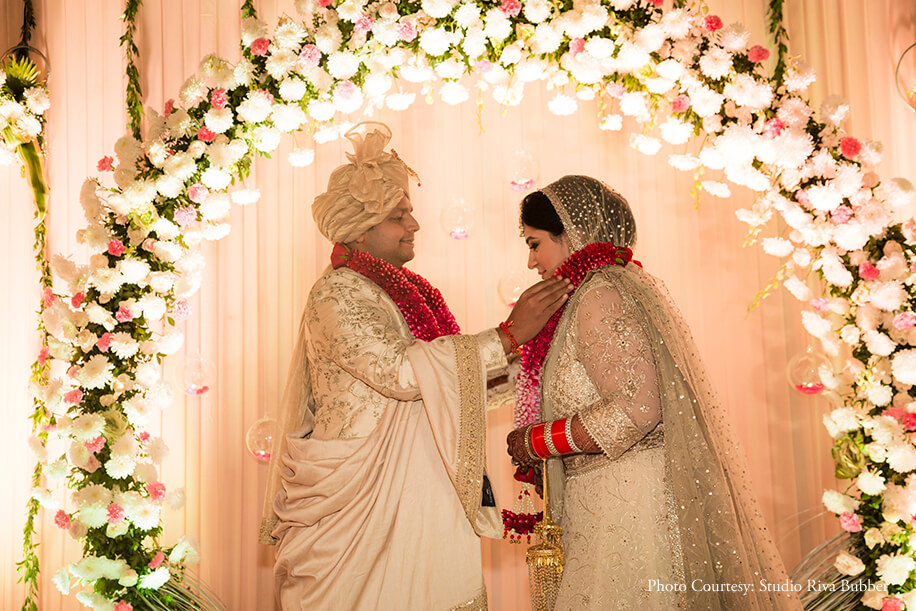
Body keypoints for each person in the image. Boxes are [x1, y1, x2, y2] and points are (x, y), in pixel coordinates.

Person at [259, 122, 570, 610]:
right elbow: (401, 374)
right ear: (360, 228)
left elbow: (449, 386)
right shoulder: (337, 293)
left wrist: (527, 357)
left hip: (414, 501)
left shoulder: (411, 293)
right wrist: (509, 335)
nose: (415, 225)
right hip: (354, 511)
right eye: (399, 214)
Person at [505, 175, 802, 610]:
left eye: (534, 243)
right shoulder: (597, 293)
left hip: (627, 506)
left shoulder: (599, 295)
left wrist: (539, 440)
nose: (532, 262)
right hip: (606, 500)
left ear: (570, 234)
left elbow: (639, 408)